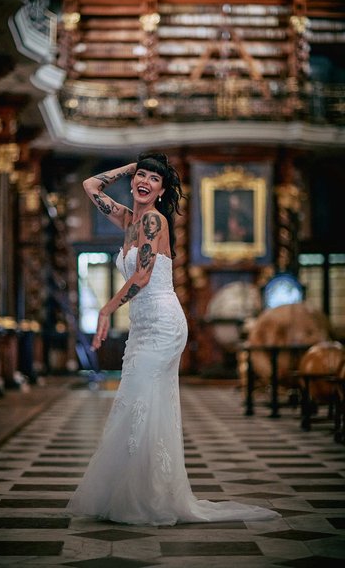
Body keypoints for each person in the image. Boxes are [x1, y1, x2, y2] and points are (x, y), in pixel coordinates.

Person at [67, 152, 280, 525]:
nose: (144, 181)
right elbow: (90, 185)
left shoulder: (152, 220)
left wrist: (106, 309)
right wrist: (131, 168)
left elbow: (144, 277)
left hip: (164, 324)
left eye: (153, 179)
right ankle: (138, 491)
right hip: (142, 327)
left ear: (162, 190)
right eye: (141, 176)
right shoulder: (128, 219)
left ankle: (146, 498)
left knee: (140, 403)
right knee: (135, 404)